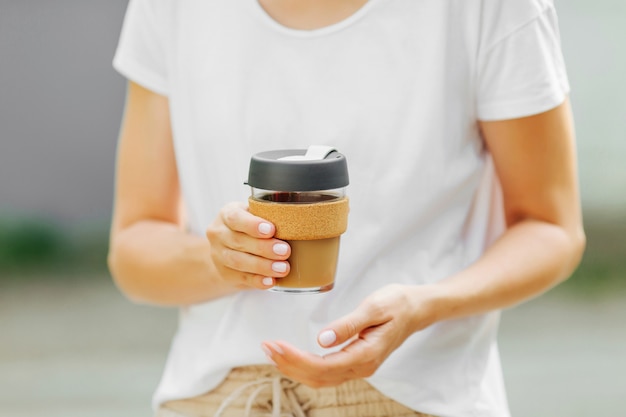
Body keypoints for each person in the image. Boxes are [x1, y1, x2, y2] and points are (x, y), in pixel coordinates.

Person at [107, 0, 585, 416]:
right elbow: (133, 250)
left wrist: (424, 305)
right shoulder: (171, 7)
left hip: (416, 398)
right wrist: (224, 262)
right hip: (218, 398)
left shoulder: (488, 7)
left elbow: (551, 228)